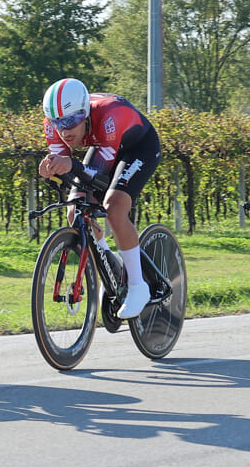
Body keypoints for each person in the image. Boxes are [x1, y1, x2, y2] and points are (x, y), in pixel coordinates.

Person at [36, 78, 162, 319]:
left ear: (84, 114)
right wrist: (52, 168)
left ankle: (138, 286)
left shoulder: (108, 117)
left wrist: (70, 163)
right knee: (75, 212)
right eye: (57, 123)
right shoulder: (54, 126)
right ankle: (110, 261)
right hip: (104, 144)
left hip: (138, 147)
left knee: (114, 207)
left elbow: (99, 180)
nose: (64, 130)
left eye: (71, 121)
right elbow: (70, 174)